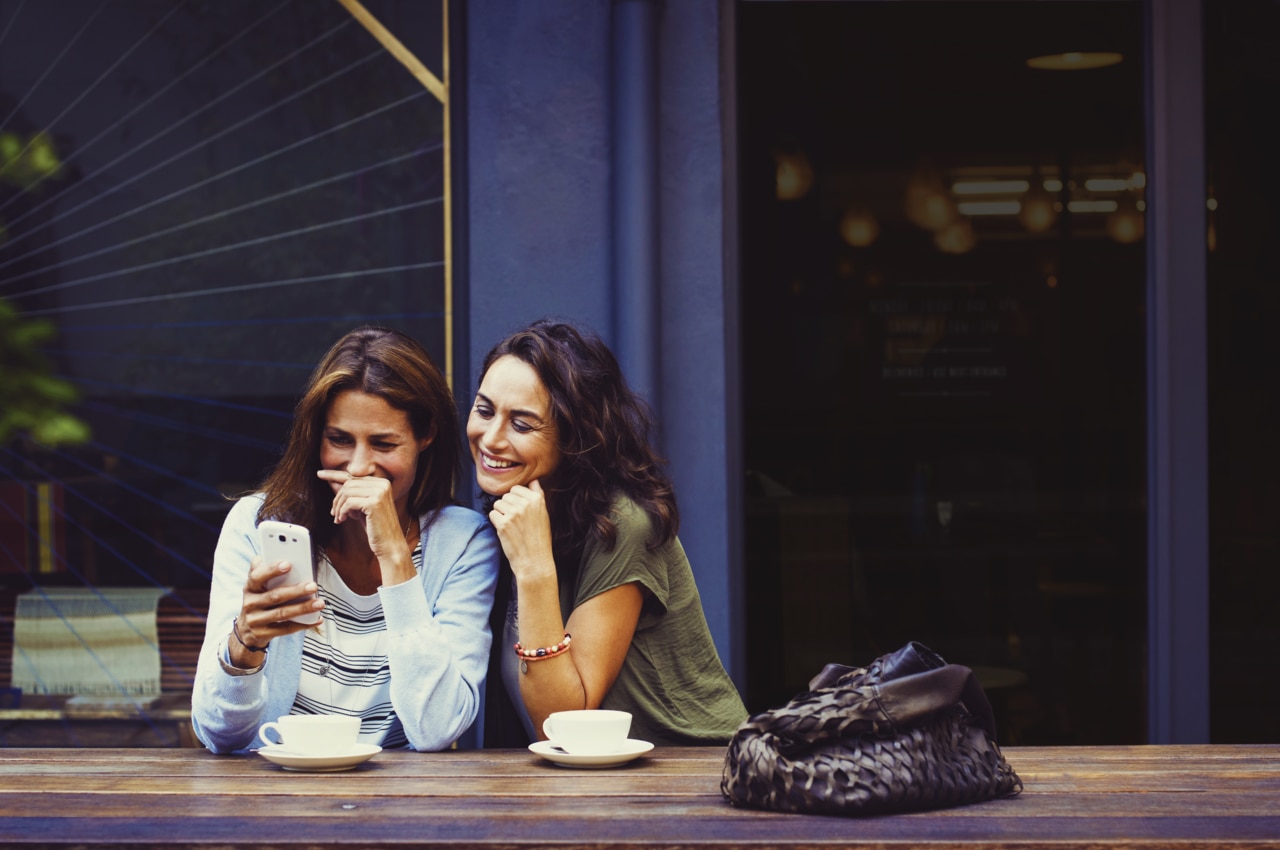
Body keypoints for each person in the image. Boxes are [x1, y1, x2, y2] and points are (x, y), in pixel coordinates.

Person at [192, 326, 499, 753]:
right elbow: (218, 735)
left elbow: (438, 729)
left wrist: (395, 555)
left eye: (383, 443)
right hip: (277, 791)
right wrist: (245, 644)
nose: (357, 467)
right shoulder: (256, 523)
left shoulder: (463, 543)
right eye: (339, 440)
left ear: (425, 435)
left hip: (400, 798)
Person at [469, 318, 747, 746]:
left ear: (574, 435)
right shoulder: (515, 512)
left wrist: (535, 570)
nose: (490, 438)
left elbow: (562, 722)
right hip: (587, 785)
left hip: (688, 774)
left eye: (522, 424)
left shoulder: (622, 523)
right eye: (484, 410)